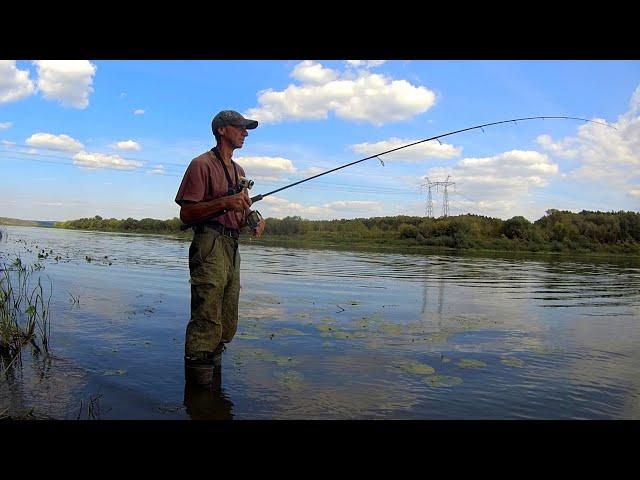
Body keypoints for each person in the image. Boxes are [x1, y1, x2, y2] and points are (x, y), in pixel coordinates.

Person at [175, 110, 266, 385]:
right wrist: (224, 203)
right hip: (209, 243)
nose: (245, 133)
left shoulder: (239, 171)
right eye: (241, 127)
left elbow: (243, 208)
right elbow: (186, 215)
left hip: (232, 246)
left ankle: (212, 386)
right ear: (222, 130)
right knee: (207, 318)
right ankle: (199, 399)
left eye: (246, 128)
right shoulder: (200, 164)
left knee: (227, 319)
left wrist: (255, 218)